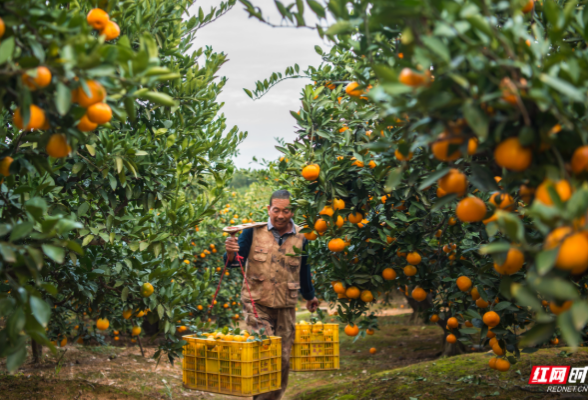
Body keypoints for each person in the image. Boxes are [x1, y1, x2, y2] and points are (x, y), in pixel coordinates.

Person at [224, 189, 319, 400]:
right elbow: (233, 261)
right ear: (269, 209)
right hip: (257, 303)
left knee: (283, 359)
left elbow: (304, 269)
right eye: (276, 210)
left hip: (286, 304)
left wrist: (309, 295)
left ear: (292, 212)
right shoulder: (252, 232)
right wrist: (231, 251)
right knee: (266, 352)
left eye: (286, 211)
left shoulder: (302, 236)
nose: (281, 215)